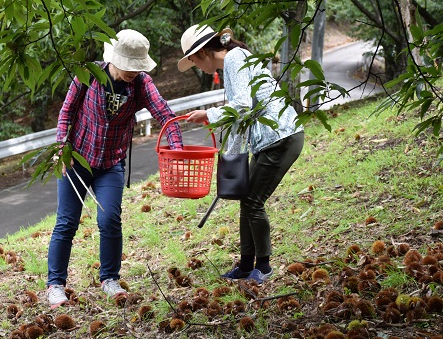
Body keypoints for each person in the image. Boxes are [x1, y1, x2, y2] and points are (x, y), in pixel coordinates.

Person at [46, 29, 184, 308]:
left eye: (138, 66)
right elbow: (66, 112)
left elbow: (164, 114)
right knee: (67, 223)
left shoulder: (141, 84)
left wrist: (177, 148)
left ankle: (109, 278)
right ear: (113, 59)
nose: (134, 71)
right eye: (129, 65)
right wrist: (61, 147)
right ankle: (55, 285)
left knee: (109, 220)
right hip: (78, 161)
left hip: (111, 164)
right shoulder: (88, 76)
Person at [179, 24, 304, 285]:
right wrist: (232, 160)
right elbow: (240, 117)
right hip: (267, 139)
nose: (196, 67)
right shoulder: (232, 63)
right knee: (246, 201)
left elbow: (243, 106)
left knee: (252, 202)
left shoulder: (235, 59)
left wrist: (209, 115)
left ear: (202, 53)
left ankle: (265, 266)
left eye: (193, 61)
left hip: (280, 136)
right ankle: (247, 265)